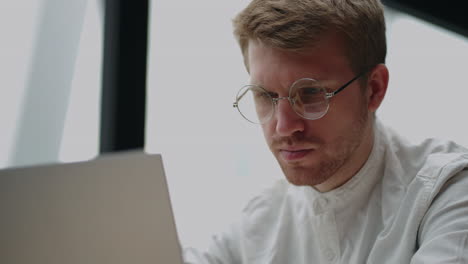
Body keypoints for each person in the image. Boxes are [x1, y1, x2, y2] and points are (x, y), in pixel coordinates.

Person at [184, 0, 468, 263]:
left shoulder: (447, 193)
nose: (284, 127)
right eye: (265, 95)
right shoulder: (256, 225)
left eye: (310, 93)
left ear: (374, 89)